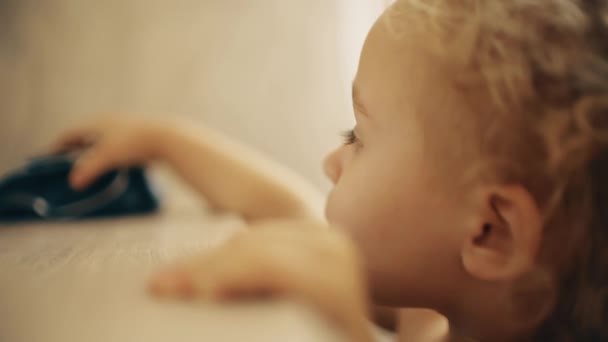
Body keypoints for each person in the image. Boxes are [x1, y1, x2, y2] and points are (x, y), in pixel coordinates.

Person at [51, 1, 608, 340]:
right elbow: (287, 207)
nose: (331, 160)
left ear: (490, 231)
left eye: (359, 138)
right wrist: (165, 141)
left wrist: (343, 332)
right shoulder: (428, 315)